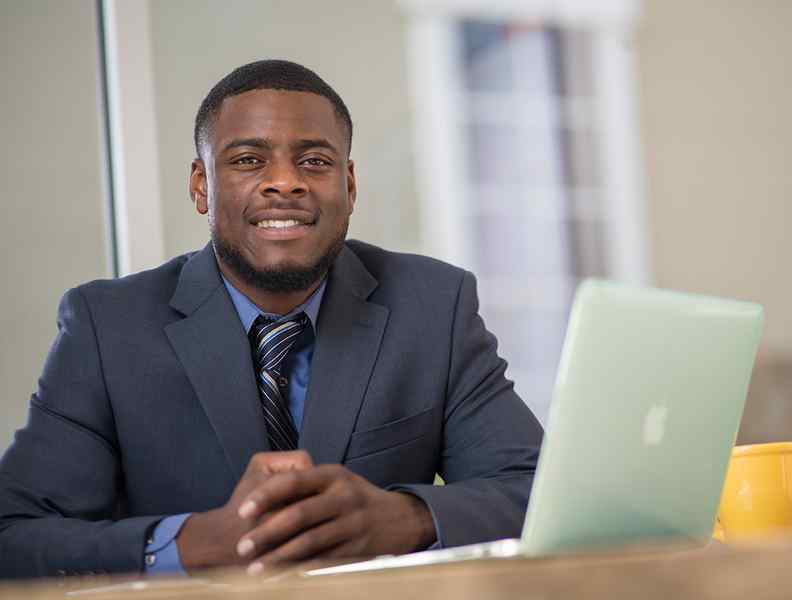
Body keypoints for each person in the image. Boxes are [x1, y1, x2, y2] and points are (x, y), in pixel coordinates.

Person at [0, 60, 543, 579]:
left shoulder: (433, 306)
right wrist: (191, 542)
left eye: (314, 161)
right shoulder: (107, 327)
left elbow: (535, 491)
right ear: (200, 186)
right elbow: (14, 536)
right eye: (247, 160)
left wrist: (402, 518)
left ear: (349, 186)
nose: (285, 182)